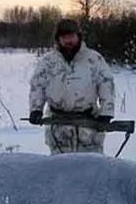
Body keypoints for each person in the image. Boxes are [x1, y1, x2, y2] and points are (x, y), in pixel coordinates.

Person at [28, 18, 116, 155]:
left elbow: (106, 85)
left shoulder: (94, 59)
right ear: (58, 39)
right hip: (58, 127)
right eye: (64, 37)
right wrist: (35, 109)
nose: (68, 40)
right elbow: (37, 86)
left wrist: (107, 112)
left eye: (71, 36)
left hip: (89, 126)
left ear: (78, 37)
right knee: (61, 170)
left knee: (92, 168)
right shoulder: (48, 61)